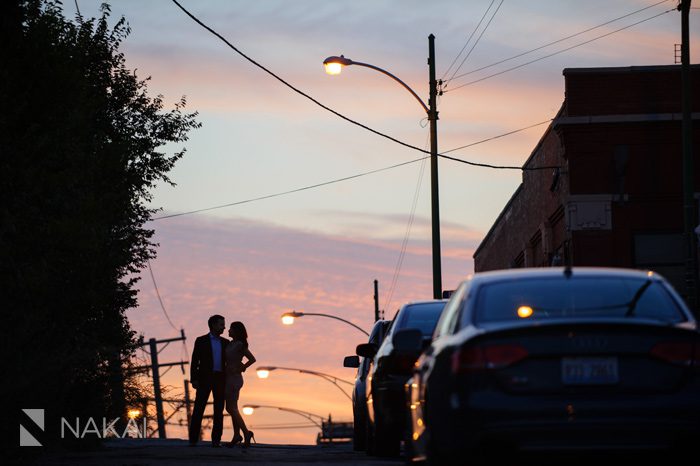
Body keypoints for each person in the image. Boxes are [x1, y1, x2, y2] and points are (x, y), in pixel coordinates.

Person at [189, 314, 228, 447]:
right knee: (199, 409)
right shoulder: (201, 341)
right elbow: (195, 361)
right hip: (204, 379)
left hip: (220, 379)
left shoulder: (225, 342)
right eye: (221, 324)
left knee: (219, 410)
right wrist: (194, 379)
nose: (224, 327)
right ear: (213, 325)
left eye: (224, 324)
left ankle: (216, 440)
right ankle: (193, 439)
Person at [225, 321, 257, 448]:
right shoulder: (230, 343)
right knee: (233, 408)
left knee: (230, 408)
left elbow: (252, 359)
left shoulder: (239, 345)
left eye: (231, 329)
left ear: (236, 331)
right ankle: (236, 436)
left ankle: (246, 433)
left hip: (234, 379)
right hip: (228, 378)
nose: (228, 330)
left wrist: (242, 367)